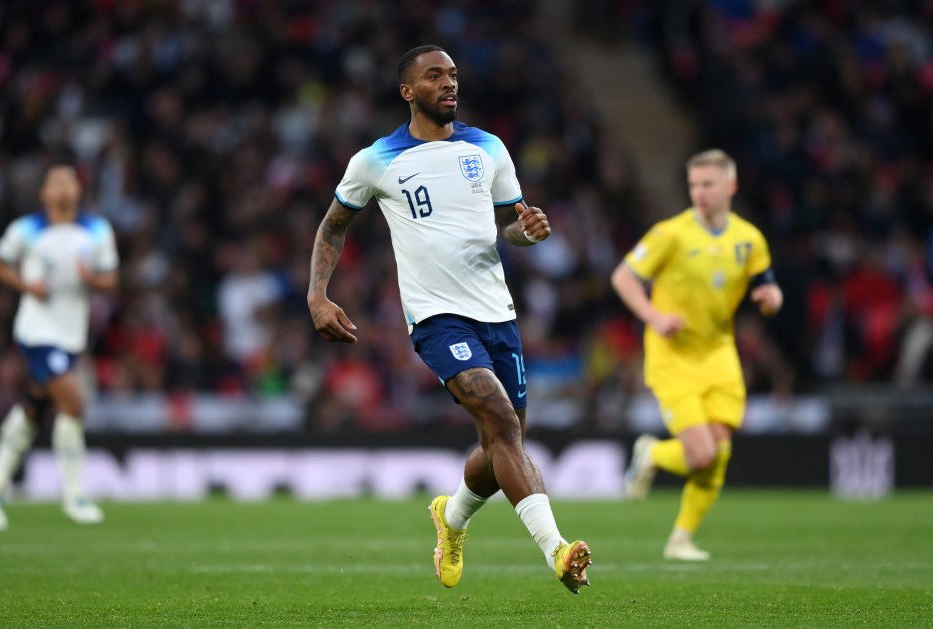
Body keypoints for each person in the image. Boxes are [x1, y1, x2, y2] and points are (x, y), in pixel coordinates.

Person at [307, 45, 591, 593]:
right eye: (433, 76)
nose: (448, 83)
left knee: (500, 443)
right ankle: (557, 550)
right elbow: (333, 226)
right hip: (437, 318)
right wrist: (319, 295)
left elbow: (509, 224)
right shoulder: (376, 160)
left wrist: (524, 231)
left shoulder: (489, 148)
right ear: (407, 92)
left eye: (453, 75)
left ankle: (451, 519)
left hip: (497, 314)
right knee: (502, 422)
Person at [611, 149, 783, 560]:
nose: (699, 193)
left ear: (730, 187)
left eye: (708, 184)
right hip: (673, 356)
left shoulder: (750, 239)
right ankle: (651, 452)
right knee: (702, 452)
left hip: (720, 353)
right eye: (693, 185)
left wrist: (771, 300)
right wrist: (653, 315)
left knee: (718, 452)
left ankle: (681, 539)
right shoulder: (671, 234)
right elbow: (623, 276)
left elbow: (768, 289)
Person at [0, 160, 119, 530]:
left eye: (67, 182)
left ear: (77, 190)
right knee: (73, 403)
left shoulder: (96, 231)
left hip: (71, 333)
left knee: (34, 408)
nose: (61, 189)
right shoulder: (27, 230)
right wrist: (28, 286)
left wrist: (92, 279)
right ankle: (74, 496)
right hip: (37, 331)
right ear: (44, 193)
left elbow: (111, 280)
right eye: (54, 183)